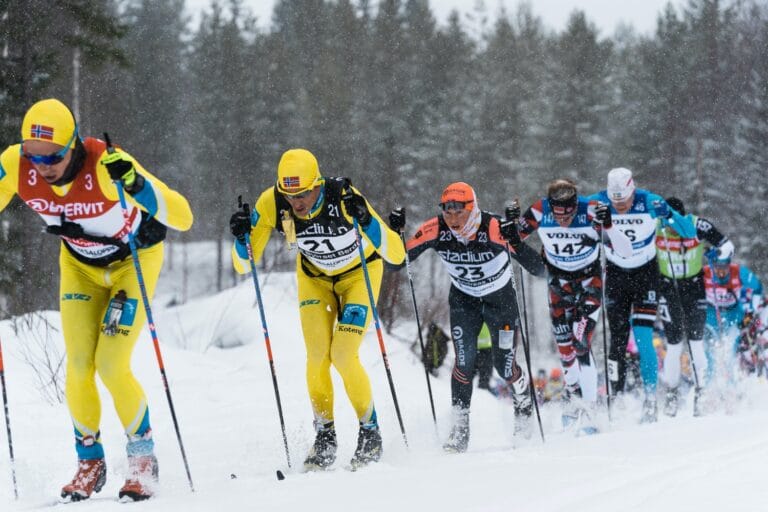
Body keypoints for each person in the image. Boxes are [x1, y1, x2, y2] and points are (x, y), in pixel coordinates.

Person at [0, 99, 193, 501]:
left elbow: (183, 216)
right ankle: (90, 461)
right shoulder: (16, 164)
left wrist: (137, 185)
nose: (43, 167)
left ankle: (142, 458)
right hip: (79, 268)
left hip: (131, 264)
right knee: (78, 365)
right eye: (35, 158)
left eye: (53, 156)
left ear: (74, 145)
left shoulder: (106, 163)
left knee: (111, 363)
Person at [229, 148, 405, 471]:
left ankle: (370, 432)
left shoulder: (343, 196)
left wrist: (365, 218)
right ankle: (325, 436)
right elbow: (243, 265)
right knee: (316, 356)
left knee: (343, 354)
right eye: (290, 194)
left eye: (305, 193)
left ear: (318, 184)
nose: (297, 202)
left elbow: (396, 255)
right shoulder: (273, 202)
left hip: (359, 275)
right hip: (315, 280)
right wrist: (242, 238)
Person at [389, 182, 545, 453]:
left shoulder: (495, 227)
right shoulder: (435, 228)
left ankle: (523, 403)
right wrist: (394, 234)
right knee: (464, 361)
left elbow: (538, 269)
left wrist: (516, 242)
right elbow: (395, 262)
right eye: (448, 212)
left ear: (473, 209)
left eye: (459, 212)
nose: (453, 219)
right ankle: (460, 430)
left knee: (504, 367)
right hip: (464, 301)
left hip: (500, 302)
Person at [518, 178, 631, 433]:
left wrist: (609, 226)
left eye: (568, 215)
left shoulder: (591, 209)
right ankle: (573, 398)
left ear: (575, 205)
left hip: (588, 282)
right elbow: (511, 240)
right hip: (557, 284)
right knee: (566, 352)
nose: (562, 220)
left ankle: (591, 411)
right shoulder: (539, 210)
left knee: (581, 343)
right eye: (557, 215)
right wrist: (510, 227)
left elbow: (626, 250)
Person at [587, 168, 694, 423]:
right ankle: (616, 397)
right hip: (615, 274)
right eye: (615, 201)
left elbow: (688, 232)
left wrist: (669, 213)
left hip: (645, 273)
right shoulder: (598, 201)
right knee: (618, 339)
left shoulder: (648, 201)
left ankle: (649, 399)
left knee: (644, 336)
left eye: (623, 200)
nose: (619, 206)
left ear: (632, 190)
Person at [655, 196, 734, 416]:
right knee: (673, 343)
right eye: (669, 226)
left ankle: (701, 393)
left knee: (696, 341)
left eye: (677, 225)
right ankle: (671, 394)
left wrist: (716, 253)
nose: (673, 230)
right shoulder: (656, 225)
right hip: (667, 287)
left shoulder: (698, 225)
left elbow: (727, 246)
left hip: (693, 287)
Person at [703, 252, 763, 387]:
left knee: (730, 349)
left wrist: (751, 312)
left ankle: (731, 387)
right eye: (717, 267)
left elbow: (757, 288)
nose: (721, 271)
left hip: (733, 315)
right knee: (709, 351)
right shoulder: (705, 272)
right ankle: (708, 386)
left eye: (724, 267)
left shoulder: (738, 271)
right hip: (711, 315)